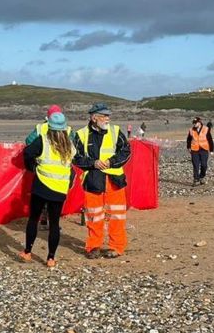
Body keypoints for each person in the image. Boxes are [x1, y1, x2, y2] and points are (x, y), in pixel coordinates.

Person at [72, 103, 131, 259]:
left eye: (108, 116)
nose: (108, 118)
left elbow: (126, 152)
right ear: (94, 117)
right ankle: (93, 247)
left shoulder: (116, 131)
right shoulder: (81, 134)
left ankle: (116, 247)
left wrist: (111, 162)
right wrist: (93, 163)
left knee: (117, 215)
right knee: (93, 215)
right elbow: (75, 157)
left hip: (114, 180)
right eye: (104, 116)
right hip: (92, 180)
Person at [20, 111, 74, 267]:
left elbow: (27, 152)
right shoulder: (69, 145)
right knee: (55, 224)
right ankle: (51, 258)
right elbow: (74, 162)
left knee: (34, 218)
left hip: (42, 185)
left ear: (49, 127)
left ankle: (28, 251)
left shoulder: (43, 141)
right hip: (59, 189)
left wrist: (32, 167)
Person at [186, 117, 214, 186]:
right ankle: (196, 179)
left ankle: (202, 177)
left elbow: (210, 140)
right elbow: (189, 139)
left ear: (199, 122)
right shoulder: (191, 130)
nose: (194, 124)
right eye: (193, 123)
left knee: (204, 165)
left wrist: (211, 150)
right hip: (194, 150)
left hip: (204, 149)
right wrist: (188, 147)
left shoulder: (206, 129)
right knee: (195, 165)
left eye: (195, 123)